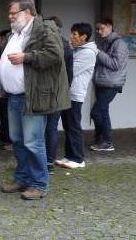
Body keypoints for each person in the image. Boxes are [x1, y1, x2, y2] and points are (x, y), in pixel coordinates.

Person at [0, 0, 69, 200]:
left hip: (32, 97)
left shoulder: (44, 30)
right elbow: (10, 57)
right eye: (9, 13)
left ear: (27, 12)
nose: (10, 17)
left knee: (33, 142)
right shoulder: (16, 33)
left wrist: (26, 57)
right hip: (14, 96)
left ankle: (39, 184)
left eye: (13, 13)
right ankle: (23, 179)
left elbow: (55, 55)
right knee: (17, 141)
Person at [54, 23, 97, 169]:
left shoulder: (88, 53)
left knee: (73, 126)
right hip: (68, 93)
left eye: (74, 34)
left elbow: (69, 70)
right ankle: (69, 156)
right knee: (68, 125)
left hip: (75, 94)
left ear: (83, 37)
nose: (71, 37)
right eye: (71, 34)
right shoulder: (77, 50)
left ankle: (78, 159)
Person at [90, 18, 129, 152]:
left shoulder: (119, 44)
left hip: (111, 84)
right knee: (103, 112)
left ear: (110, 27)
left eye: (102, 28)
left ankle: (106, 141)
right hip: (103, 82)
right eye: (98, 29)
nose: (99, 31)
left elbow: (115, 64)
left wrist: (98, 52)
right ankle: (101, 139)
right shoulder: (106, 42)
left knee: (96, 112)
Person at [43, 16, 74, 173]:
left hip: (46, 92)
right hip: (60, 91)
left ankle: (45, 162)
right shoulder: (66, 45)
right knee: (51, 128)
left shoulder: (47, 44)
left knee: (45, 128)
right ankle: (49, 162)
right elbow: (70, 73)